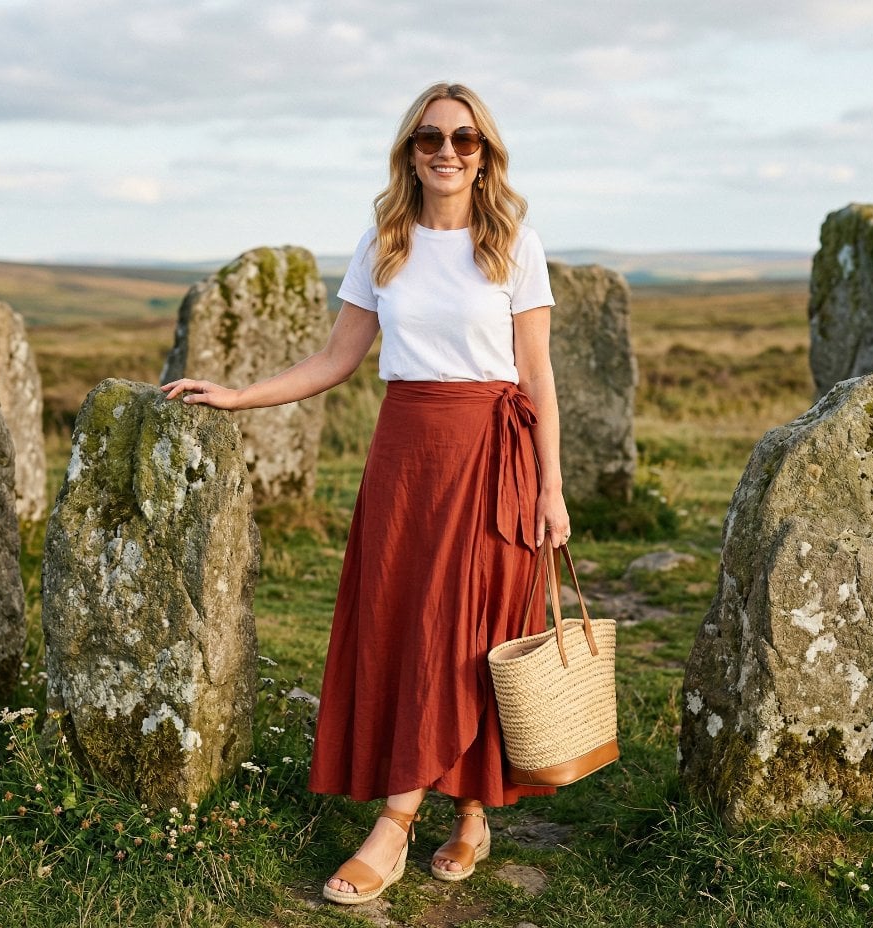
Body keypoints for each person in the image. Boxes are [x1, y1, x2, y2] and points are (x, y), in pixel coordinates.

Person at [162, 80, 570, 905]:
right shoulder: (382, 241)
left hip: (492, 457)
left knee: (473, 627)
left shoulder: (514, 244)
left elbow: (537, 375)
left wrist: (553, 489)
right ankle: (447, 812)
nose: (447, 153)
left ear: (485, 154)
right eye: (430, 139)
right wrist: (240, 397)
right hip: (405, 456)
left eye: (464, 140)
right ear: (409, 153)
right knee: (405, 620)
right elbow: (335, 360)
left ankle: (418, 817)